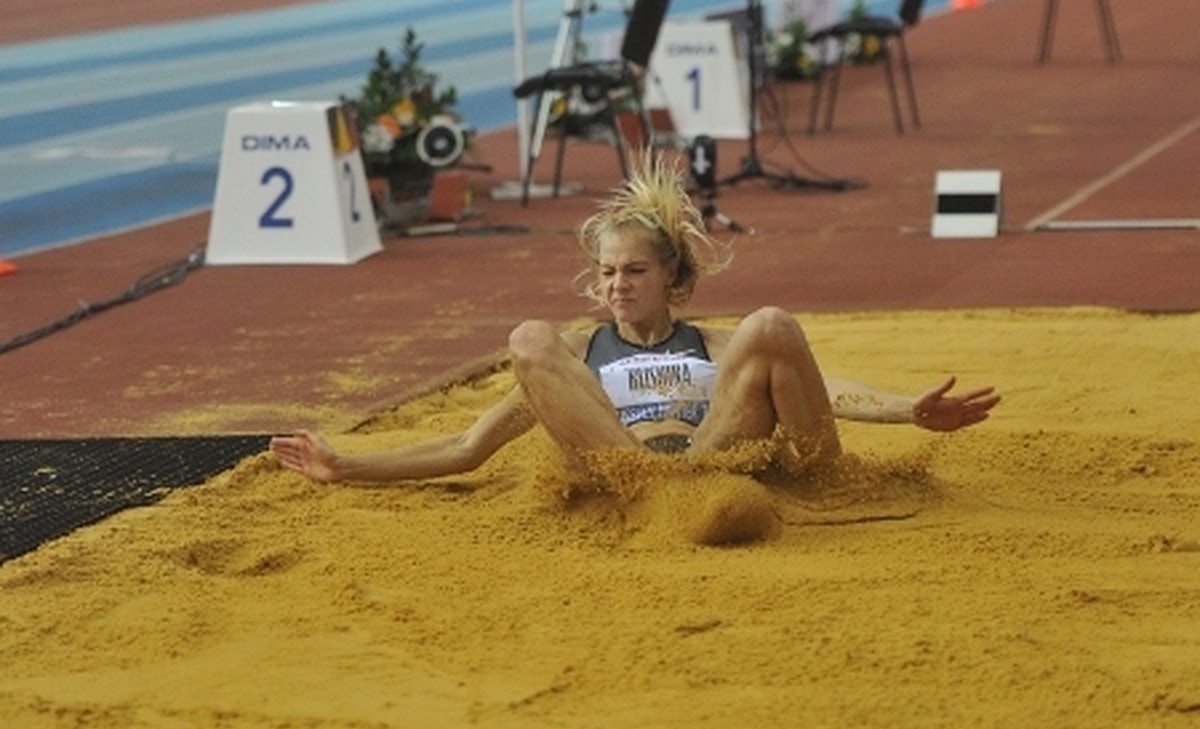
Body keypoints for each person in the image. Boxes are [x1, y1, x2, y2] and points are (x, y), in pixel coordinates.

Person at [271, 154, 1000, 488]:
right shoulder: (580, 362)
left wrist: (909, 410)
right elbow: (468, 447)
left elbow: (825, 386)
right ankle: (660, 499)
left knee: (772, 323)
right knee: (529, 337)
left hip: (713, 461)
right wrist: (347, 466)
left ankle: (817, 491)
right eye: (607, 273)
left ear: (672, 279)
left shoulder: (709, 344)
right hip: (629, 476)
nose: (617, 286)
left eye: (635, 272)